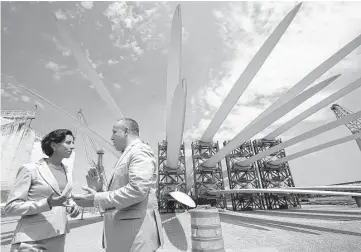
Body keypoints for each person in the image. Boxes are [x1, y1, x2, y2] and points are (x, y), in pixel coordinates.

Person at [73, 118, 163, 252]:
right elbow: (124, 191)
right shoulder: (128, 154)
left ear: (126, 131)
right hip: (126, 236)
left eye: (114, 132)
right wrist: (99, 190)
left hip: (134, 238)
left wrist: (97, 199)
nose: (111, 137)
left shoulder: (139, 151)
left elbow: (137, 190)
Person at [4, 129, 81, 252]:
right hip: (31, 240)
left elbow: (65, 198)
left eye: (73, 143)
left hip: (58, 237)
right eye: (68, 142)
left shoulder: (67, 171)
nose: (73, 146)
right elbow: (11, 207)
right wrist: (47, 203)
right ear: (54, 145)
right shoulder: (30, 169)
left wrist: (72, 206)